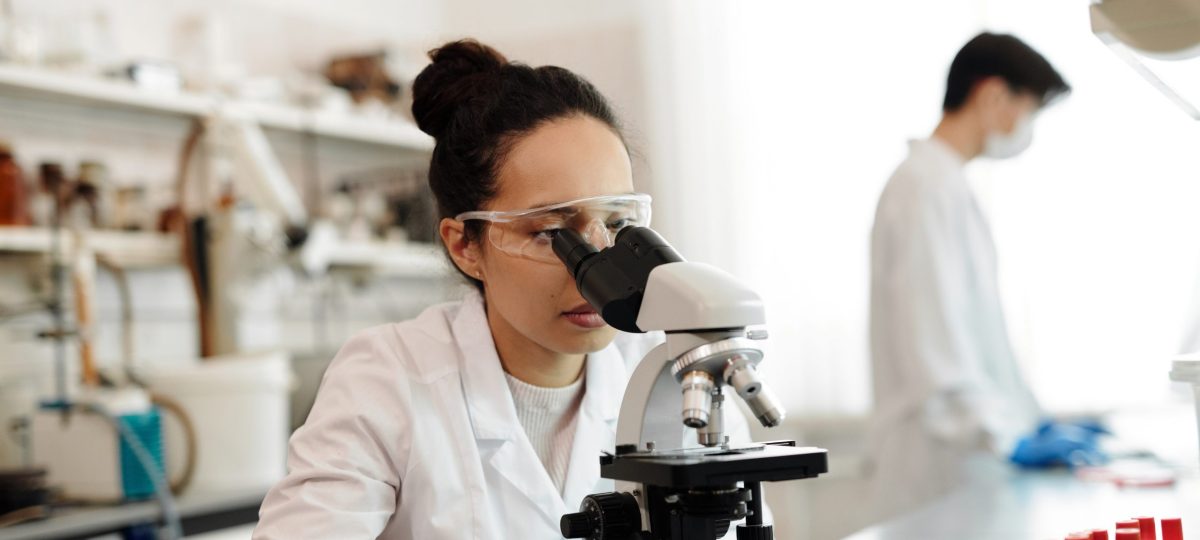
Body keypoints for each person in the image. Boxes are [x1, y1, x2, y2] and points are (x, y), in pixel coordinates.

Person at [253, 39, 758, 539]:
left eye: (618, 222)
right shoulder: (387, 378)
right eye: (549, 233)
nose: (600, 264)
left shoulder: (677, 378)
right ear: (464, 246)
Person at [866, 32, 1073, 521]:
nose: (1027, 127)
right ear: (994, 95)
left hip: (964, 458)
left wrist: (1030, 421)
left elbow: (983, 342)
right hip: (935, 465)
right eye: (1029, 109)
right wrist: (1006, 436)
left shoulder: (946, 184)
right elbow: (934, 347)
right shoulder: (923, 187)